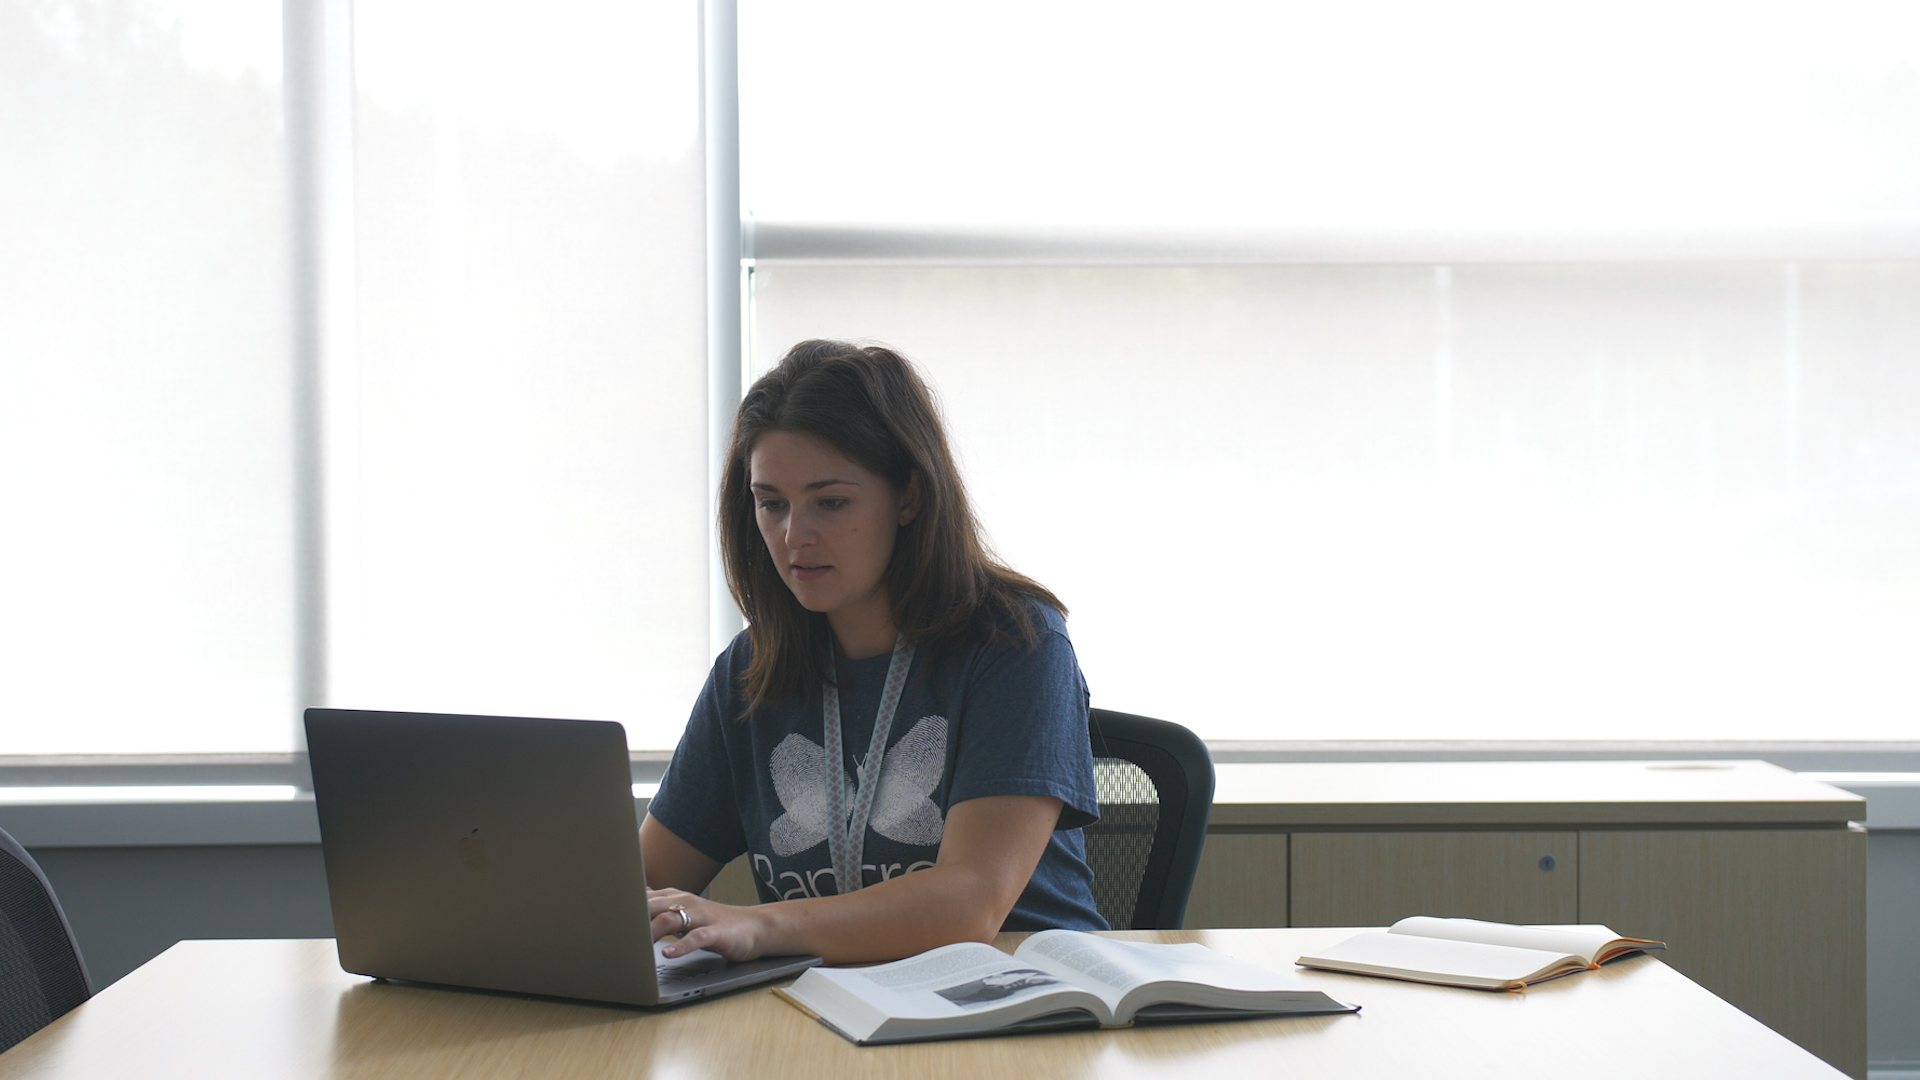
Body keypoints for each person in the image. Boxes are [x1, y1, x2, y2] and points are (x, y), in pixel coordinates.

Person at [641, 339, 1105, 965]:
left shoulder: (1016, 643)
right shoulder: (750, 670)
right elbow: (635, 886)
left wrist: (758, 925)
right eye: (771, 503)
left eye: (830, 502)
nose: (793, 537)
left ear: (909, 496)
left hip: (1017, 1000)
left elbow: (970, 904)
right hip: (825, 1007)